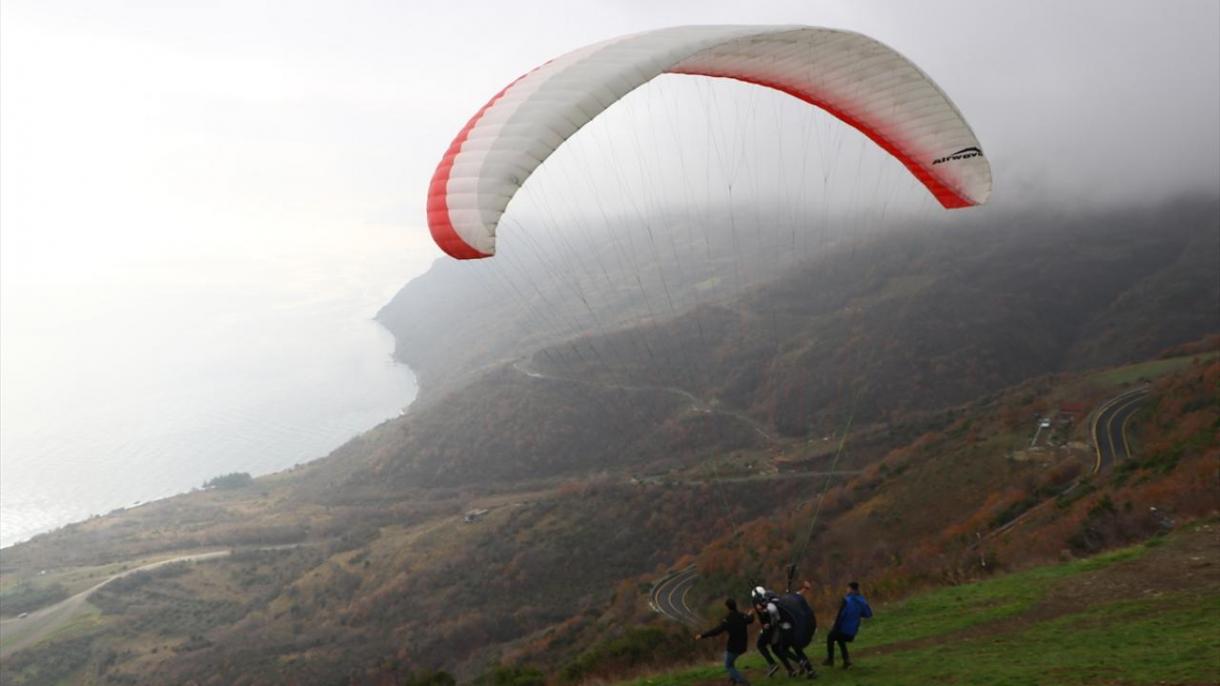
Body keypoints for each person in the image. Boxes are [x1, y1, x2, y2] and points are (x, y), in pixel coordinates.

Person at [696, 598, 754, 685]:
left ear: (727, 607)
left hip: (733, 647)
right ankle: (733, 679)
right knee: (730, 660)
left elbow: (716, 631)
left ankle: (742, 681)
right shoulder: (742, 616)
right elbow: (750, 620)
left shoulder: (727, 620)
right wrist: (751, 614)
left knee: (728, 665)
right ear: (735, 606)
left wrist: (702, 635)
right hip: (743, 646)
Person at [824, 581, 872, 669]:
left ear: (851, 590)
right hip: (852, 632)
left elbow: (840, 616)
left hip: (844, 630)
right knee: (839, 638)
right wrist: (857, 613)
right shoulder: (861, 600)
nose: (847, 590)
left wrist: (834, 627)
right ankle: (847, 662)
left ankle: (830, 659)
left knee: (831, 636)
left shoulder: (847, 600)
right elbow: (868, 614)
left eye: (848, 588)